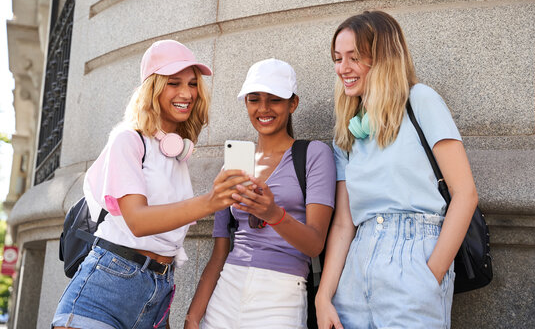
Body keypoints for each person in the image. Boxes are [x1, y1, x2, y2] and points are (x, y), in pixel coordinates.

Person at [52, 40, 251, 329]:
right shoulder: (127, 140)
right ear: (153, 88)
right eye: (173, 83)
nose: (187, 93)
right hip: (107, 286)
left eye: (193, 83)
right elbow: (138, 221)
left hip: (159, 288)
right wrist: (211, 201)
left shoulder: (175, 152)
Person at [315, 11, 478, 329]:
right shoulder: (349, 131)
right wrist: (324, 297)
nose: (343, 68)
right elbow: (344, 224)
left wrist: (430, 275)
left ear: (382, 57)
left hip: (414, 264)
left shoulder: (420, 101)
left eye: (354, 57)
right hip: (354, 275)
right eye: (337, 58)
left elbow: (465, 194)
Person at [184, 58, 336, 329]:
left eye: (275, 99)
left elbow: (315, 244)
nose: (263, 109)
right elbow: (219, 252)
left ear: (293, 103)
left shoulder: (313, 155)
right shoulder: (233, 166)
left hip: (281, 296)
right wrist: (193, 317)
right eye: (254, 99)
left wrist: (273, 214)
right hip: (227, 291)